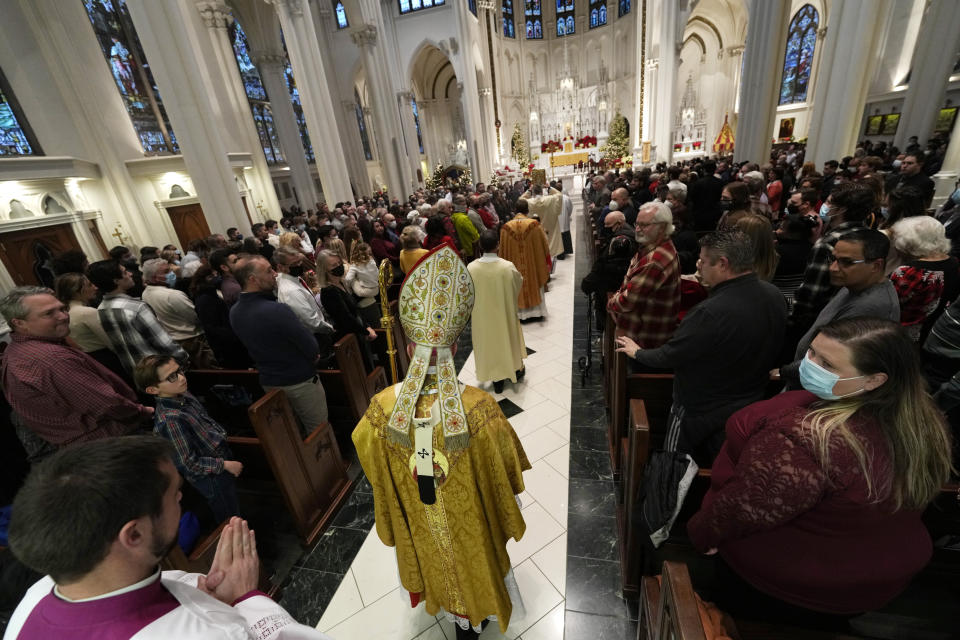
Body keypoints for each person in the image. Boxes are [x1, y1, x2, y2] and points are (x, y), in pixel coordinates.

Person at [688, 318, 952, 629]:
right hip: (873, 575)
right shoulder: (918, 420)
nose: (810, 365)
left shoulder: (809, 439)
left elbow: (743, 510)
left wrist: (701, 533)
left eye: (827, 363)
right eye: (812, 352)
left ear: (873, 380)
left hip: (789, 583)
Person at [352, 244, 529, 638]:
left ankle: (446, 604)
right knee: (472, 550)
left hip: (420, 520)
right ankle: (477, 611)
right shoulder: (481, 408)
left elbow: (366, 452)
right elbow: (508, 473)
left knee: (431, 550)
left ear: (411, 348)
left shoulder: (382, 409)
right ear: (453, 347)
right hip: (472, 528)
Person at [5, 436, 333, 639]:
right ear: (134, 534)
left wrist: (208, 602)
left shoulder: (38, 595)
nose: (183, 499)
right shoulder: (208, 635)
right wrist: (245, 600)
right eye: (176, 495)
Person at [615, 230, 788, 464]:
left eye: (704, 261)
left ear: (723, 264)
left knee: (675, 465)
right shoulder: (775, 295)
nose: (699, 266)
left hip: (698, 407)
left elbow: (672, 355)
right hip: (749, 400)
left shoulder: (709, 313)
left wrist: (638, 352)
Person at [0, 286, 152, 449]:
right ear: (19, 323)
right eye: (49, 313)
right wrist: (143, 412)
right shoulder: (51, 359)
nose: (63, 316)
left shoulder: (16, 349)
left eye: (62, 309)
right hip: (110, 441)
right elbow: (107, 404)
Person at [780, 229, 900, 389]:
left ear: (876, 265)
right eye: (833, 259)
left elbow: (831, 360)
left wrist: (785, 372)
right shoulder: (854, 284)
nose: (833, 268)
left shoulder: (872, 307)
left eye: (847, 262)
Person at [229, 255, 328, 436]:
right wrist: (314, 355)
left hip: (270, 382)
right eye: (268, 271)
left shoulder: (234, 312)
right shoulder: (276, 309)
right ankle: (330, 464)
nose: (275, 274)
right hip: (299, 381)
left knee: (293, 433)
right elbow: (310, 346)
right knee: (318, 430)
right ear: (252, 279)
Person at [136, 355, 242, 523]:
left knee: (233, 501)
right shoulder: (170, 420)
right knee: (229, 515)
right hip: (212, 475)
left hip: (219, 457)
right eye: (171, 377)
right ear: (153, 390)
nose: (181, 378)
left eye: (179, 371)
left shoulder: (182, 395)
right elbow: (188, 463)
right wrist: (224, 465)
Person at [790, 182, 874, 331]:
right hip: (846, 317)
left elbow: (811, 293)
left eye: (829, 202)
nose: (824, 205)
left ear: (841, 209)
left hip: (816, 320)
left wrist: (793, 319)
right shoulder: (870, 236)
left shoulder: (829, 243)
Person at [607, 202, 681, 359]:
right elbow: (628, 282)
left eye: (644, 225)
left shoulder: (655, 260)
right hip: (641, 328)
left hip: (643, 339)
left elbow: (628, 300)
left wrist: (611, 303)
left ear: (662, 227)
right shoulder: (650, 246)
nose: (638, 229)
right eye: (637, 223)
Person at [88, 259, 188, 375]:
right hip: (159, 369)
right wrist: (184, 358)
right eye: (125, 272)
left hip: (136, 372)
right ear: (116, 281)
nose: (130, 274)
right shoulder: (136, 307)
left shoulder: (101, 309)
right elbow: (163, 342)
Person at [467, 231, 527, 394]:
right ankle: (514, 370)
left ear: (480, 246)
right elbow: (518, 282)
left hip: (482, 316)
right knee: (506, 339)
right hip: (504, 312)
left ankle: (496, 379)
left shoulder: (471, 268)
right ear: (498, 245)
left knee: (489, 344)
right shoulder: (507, 266)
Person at [889, 215, 959, 342]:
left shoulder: (908, 272)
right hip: (933, 331)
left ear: (908, 242)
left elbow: (890, 305)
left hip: (901, 334)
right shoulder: (955, 263)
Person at [141, 259, 217, 369]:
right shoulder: (173, 295)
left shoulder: (145, 293)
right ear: (154, 278)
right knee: (210, 368)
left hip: (175, 338)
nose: (172, 272)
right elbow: (195, 317)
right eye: (166, 271)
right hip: (193, 338)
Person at [53, 272, 126, 378]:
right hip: (107, 358)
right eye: (89, 285)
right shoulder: (86, 312)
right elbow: (111, 342)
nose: (95, 287)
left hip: (93, 359)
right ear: (77, 291)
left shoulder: (65, 313)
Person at [317, 249, 378, 372]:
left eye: (339, 263)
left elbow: (355, 310)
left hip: (357, 330)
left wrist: (367, 326)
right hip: (349, 337)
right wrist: (366, 331)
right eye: (334, 265)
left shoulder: (341, 283)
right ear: (324, 270)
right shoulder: (329, 291)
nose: (339, 266)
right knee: (363, 369)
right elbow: (345, 318)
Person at [188, 266, 252, 369]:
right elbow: (211, 327)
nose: (215, 277)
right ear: (202, 279)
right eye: (211, 276)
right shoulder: (204, 298)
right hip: (226, 343)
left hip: (229, 337)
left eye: (216, 274)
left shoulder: (213, 291)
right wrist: (233, 336)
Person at [498, 199, 551, 320]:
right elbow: (544, 246)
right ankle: (537, 312)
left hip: (515, 265)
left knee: (517, 284)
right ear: (527, 210)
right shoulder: (534, 225)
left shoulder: (506, 228)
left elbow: (503, 252)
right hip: (533, 265)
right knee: (534, 279)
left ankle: (521, 314)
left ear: (515, 210)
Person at [273, 246, 336, 345]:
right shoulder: (291, 291)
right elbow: (311, 321)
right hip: (317, 336)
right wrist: (331, 329)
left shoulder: (291, 277)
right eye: (294, 264)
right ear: (281, 267)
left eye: (299, 261)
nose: (299, 265)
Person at [520, 184, 564, 262]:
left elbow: (520, 200)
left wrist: (528, 191)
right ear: (542, 192)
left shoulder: (529, 202)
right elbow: (559, 195)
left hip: (535, 232)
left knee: (538, 255)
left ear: (533, 193)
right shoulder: (550, 199)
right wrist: (549, 187)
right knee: (549, 252)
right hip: (549, 231)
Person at [344, 241, 382, 328]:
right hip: (376, 288)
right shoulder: (372, 261)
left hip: (365, 291)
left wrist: (352, 283)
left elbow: (348, 279)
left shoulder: (355, 265)